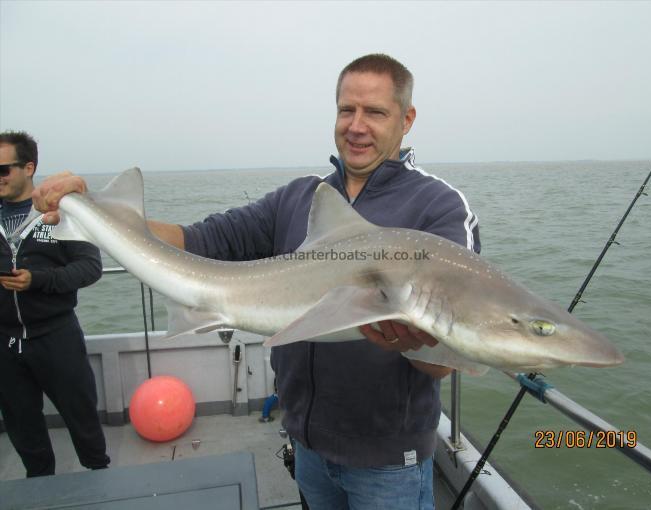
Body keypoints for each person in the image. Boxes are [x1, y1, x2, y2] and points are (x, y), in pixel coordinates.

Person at [33, 54, 480, 508]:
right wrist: (92, 210)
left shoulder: (438, 209)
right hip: (307, 443)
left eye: (376, 112)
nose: (357, 126)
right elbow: (196, 240)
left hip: (388, 460)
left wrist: (405, 338)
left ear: (407, 119)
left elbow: (446, 359)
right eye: (347, 110)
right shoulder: (300, 197)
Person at [0, 131, 110, 477]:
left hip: (56, 335)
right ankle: (40, 487)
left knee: (82, 417)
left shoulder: (61, 214)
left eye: (3, 169)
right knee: (22, 426)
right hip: (5, 343)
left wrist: (39, 280)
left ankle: (100, 477)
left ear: (28, 167)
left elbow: (91, 268)